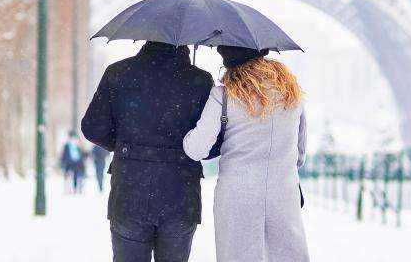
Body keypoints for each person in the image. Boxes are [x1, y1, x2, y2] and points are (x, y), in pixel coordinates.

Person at [82, 41, 214, 262]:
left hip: (130, 192)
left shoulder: (118, 73)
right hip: (180, 195)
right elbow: (211, 144)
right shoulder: (200, 80)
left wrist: (127, 147)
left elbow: (92, 127)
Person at [183, 46, 309, 262]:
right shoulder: (291, 93)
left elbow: (197, 150)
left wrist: (186, 132)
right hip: (283, 193)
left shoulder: (223, 95)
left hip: (238, 194)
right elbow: (299, 155)